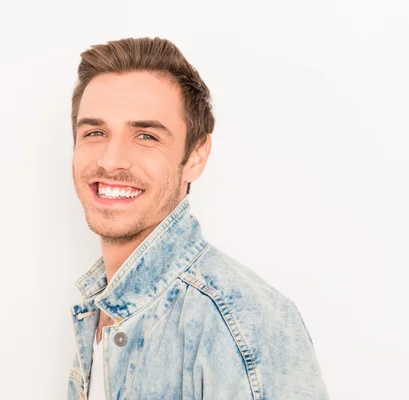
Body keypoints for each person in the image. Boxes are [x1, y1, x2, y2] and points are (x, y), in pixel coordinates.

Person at [67, 37, 329, 400]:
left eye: (145, 135)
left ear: (196, 156)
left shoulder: (242, 323)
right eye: (95, 132)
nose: (111, 161)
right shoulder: (97, 310)